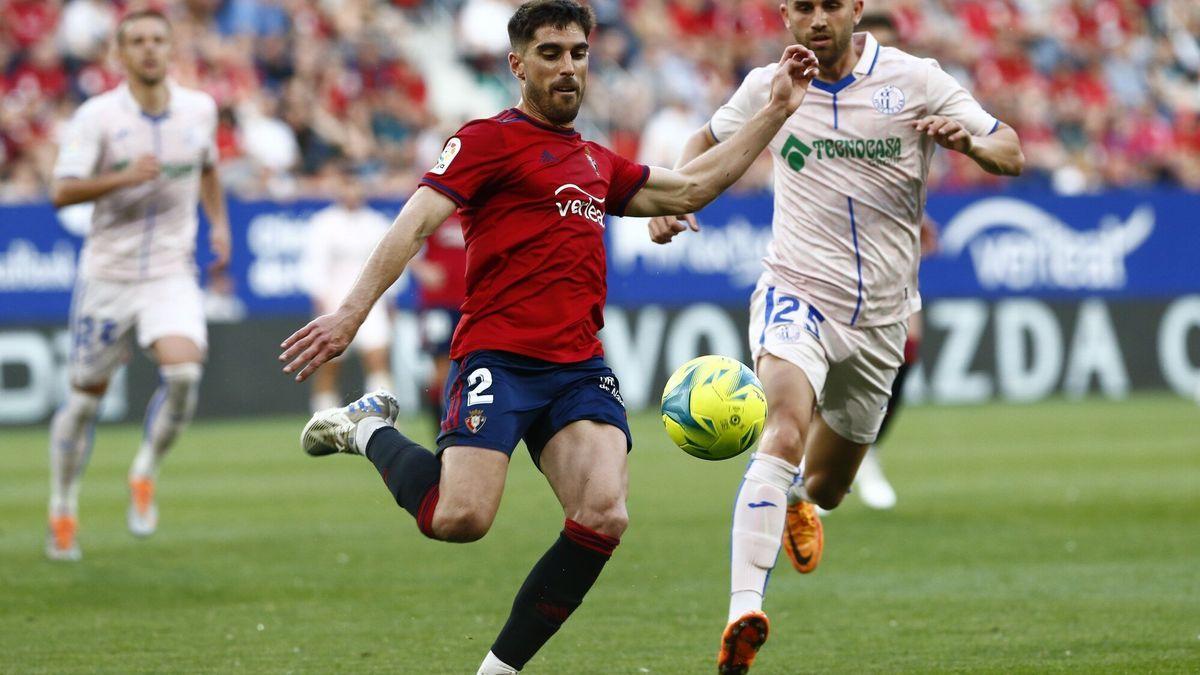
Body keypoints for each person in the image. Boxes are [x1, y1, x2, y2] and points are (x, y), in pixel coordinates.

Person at [279, 2, 819, 672]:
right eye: (551, 53)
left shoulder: (595, 161)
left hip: (577, 368)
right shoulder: (484, 140)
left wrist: (776, 111)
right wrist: (350, 315)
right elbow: (413, 226)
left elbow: (691, 187)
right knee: (460, 518)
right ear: (517, 64)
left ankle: (496, 670)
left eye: (578, 53)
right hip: (499, 358)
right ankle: (366, 428)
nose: (568, 67)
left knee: (604, 514)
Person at [648, 0, 1024, 671]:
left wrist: (970, 144)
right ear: (785, 15)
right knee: (783, 427)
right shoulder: (772, 85)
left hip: (881, 317)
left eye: (829, 5)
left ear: (854, 8)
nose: (817, 19)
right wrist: (674, 200)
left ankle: (796, 500)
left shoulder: (916, 79)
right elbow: (703, 143)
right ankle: (743, 611)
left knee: (826, 486)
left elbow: (1011, 148)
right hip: (797, 289)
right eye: (802, 7)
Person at [46, 8, 230, 561]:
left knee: (183, 372)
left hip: (171, 271)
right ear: (118, 55)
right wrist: (123, 177)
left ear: (170, 49)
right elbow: (61, 191)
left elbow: (208, 167)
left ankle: (144, 472)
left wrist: (217, 222)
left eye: (157, 39)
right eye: (137, 42)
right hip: (108, 274)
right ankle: (62, 506)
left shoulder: (199, 108)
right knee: (83, 405)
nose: (149, 49)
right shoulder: (96, 117)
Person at [301, 168, 395, 412]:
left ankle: (380, 418)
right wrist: (321, 299)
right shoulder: (324, 223)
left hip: (372, 300)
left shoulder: (376, 223)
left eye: (355, 185)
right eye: (347, 184)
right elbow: (314, 264)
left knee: (377, 359)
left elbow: (390, 264)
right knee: (329, 365)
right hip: (336, 299)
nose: (352, 191)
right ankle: (323, 418)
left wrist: (390, 299)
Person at [407, 214, 467, 433]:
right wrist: (422, 269)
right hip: (439, 302)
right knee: (441, 369)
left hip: (475, 301)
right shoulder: (438, 203)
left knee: (474, 366)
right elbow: (403, 239)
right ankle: (441, 431)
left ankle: (468, 425)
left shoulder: (481, 204)